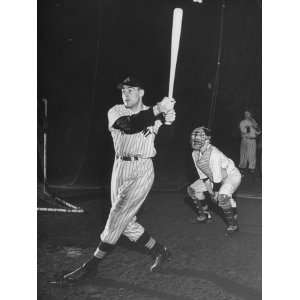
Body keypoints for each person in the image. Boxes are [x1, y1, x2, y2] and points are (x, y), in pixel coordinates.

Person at [59, 76, 176, 283]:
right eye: (123, 90)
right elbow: (130, 125)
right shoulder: (116, 111)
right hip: (120, 166)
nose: (125, 93)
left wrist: (169, 118)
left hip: (142, 169)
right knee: (126, 222)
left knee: (117, 216)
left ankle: (92, 266)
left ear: (141, 92)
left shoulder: (153, 112)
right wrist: (159, 109)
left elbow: (164, 137)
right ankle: (161, 251)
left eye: (131, 90)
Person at [186, 126, 241, 233]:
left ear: (207, 139)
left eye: (198, 138)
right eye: (194, 138)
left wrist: (215, 193)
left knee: (222, 197)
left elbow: (217, 176)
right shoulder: (195, 153)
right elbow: (203, 175)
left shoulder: (213, 153)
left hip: (230, 176)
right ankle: (205, 215)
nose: (195, 140)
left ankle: (233, 224)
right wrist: (210, 191)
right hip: (214, 178)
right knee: (192, 190)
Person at [239, 110, 261, 174]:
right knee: (243, 154)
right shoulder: (242, 122)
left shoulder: (254, 121)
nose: (246, 115)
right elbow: (244, 131)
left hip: (252, 140)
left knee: (252, 154)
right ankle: (242, 167)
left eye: (248, 114)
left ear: (251, 114)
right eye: (245, 114)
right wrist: (252, 125)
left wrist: (255, 126)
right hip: (245, 140)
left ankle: (252, 168)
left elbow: (259, 132)